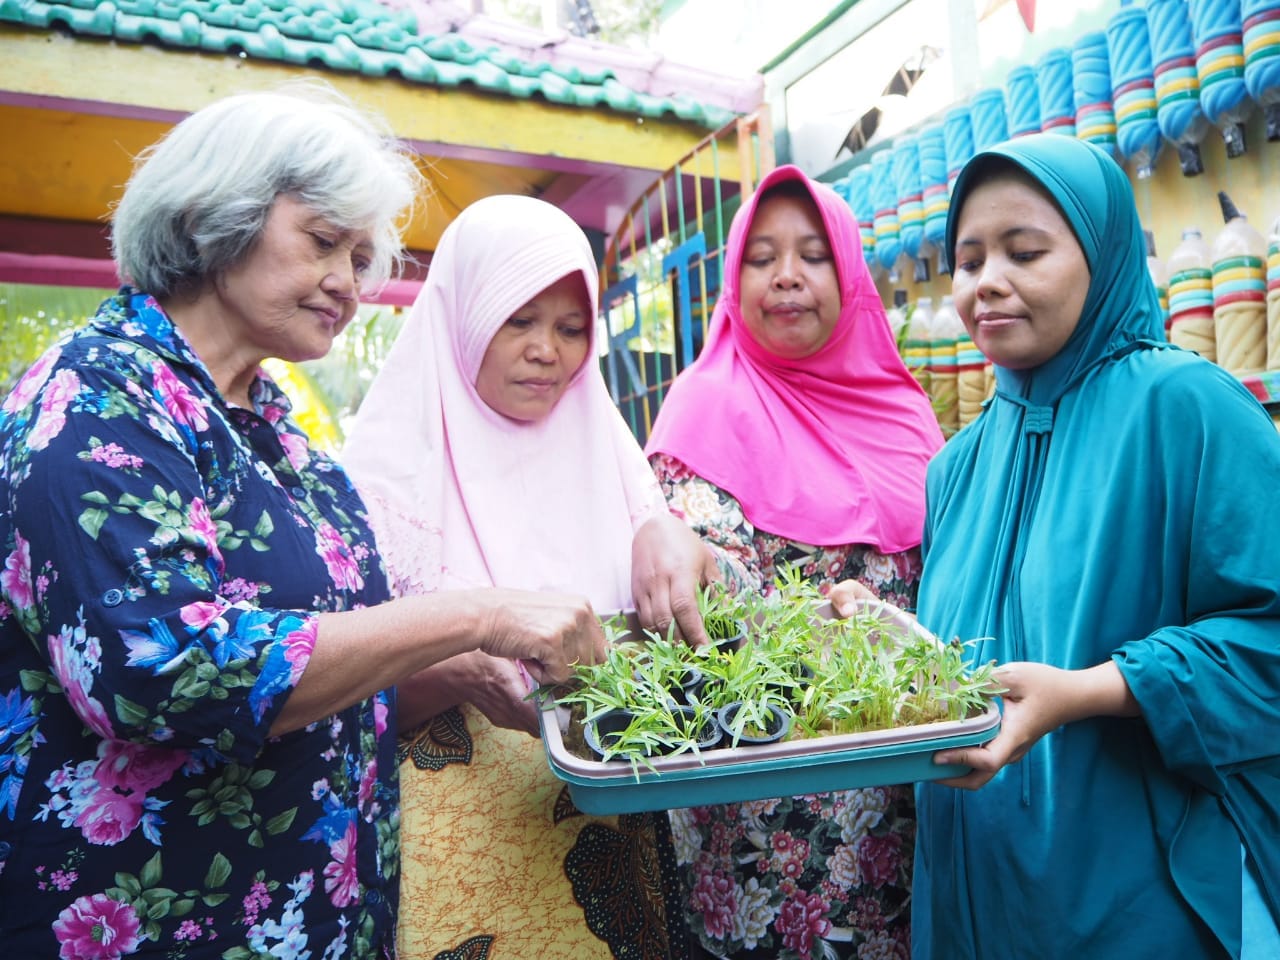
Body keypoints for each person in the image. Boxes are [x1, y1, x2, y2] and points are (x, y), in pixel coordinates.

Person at [0, 84, 607, 958]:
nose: (347, 283)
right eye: (324, 241)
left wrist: (458, 668)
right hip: (160, 925)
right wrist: (474, 615)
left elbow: (320, 672)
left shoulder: (281, 439)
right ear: (217, 216)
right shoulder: (96, 400)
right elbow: (160, 672)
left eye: (361, 258)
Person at [885, 133, 1280, 959]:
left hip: (1135, 895)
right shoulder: (956, 467)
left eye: (1025, 251)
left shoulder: (1187, 409)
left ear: (1101, 255)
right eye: (968, 260)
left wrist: (1095, 689)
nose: (987, 281)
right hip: (974, 893)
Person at [340, 193, 720, 959]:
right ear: (463, 315)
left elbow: (696, 630)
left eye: (572, 328)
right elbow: (329, 695)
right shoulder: (373, 491)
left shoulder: (617, 470)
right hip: (461, 852)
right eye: (519, 320)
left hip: (611, 842)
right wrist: (446, 667)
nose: (548, 349)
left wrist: (684, 547)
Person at [643, 164, 944, 960]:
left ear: (849, 275)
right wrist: (816, 615)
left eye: (813, 255)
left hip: (913, 805)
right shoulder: (706, 407)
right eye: (762, 256)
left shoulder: (906, 412)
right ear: (735, 277)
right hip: (771, 823)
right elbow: (703, 603)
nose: (786, 276)